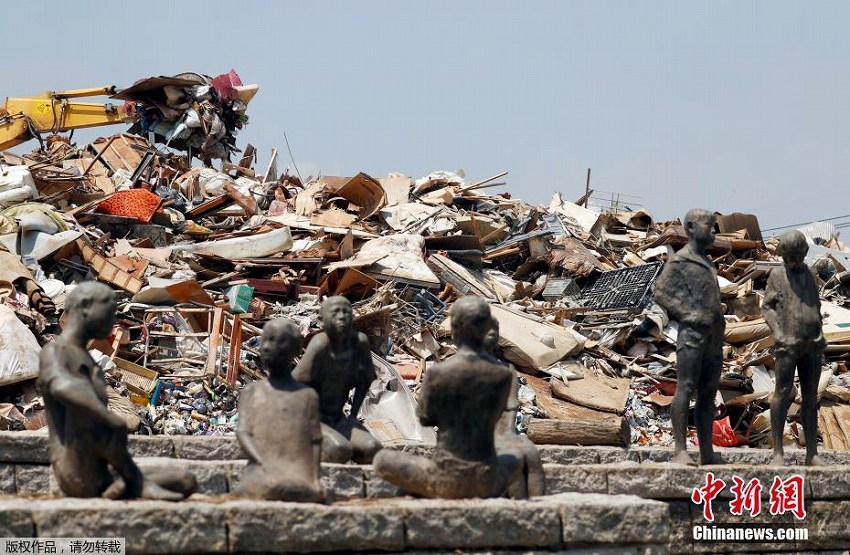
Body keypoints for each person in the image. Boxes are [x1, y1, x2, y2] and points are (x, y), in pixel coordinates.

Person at [38, 281, 196, 500]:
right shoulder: (55, 351)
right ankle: (133, 482)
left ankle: (127, 483)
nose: (114, 321)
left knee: (185, 480)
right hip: (75, 469)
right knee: (102, 423)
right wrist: (107, 416)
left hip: (101, 468)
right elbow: (62, 385)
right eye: (109, 312)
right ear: (86, 306)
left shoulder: (88, 360)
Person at [373, 296, 519, 498]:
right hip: (487, 479)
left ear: (455, 329)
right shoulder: (504, 375)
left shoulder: (439, 373)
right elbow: (495, 417)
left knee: (383, 460)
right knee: (514, 460)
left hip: (447, 477)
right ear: (487, 329)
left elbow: (425, 418)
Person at [654, 209, 726, 466]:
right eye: (711, 226)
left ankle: (706, 450)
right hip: (693, 334)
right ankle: (681, 450)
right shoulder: (680, 261)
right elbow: (661, 292)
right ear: (692, 228)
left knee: (708, 392)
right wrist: (689, 313)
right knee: (685, 387)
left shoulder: (708, 263)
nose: (716, 232)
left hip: (714, 337)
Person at [237, 319, 323, 501]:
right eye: (266, 339)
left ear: (295, 350)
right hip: (261, 469)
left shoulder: (307, 395)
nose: (268, 347)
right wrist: (261, 461)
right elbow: (243, 433)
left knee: (298, 488)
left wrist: (315, 478)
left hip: (296, 469)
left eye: (277, 340)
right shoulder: (251, 391)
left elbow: (315, 440)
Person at [761, 230, 825, 466]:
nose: (794, 261)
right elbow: (766, 307)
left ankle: (812, 453)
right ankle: (778, 451)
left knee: (810, 397)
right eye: (790, 256)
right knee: (782, 392)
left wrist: (820, 332)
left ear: (805, 253)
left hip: (812, 344)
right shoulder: (777, 275)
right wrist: (777, 332)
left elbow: (815, 305)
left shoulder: (809, 273)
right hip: (787, 344)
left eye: (799, 256)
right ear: (783, 254)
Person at [294, 296, 381, 463]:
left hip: (338, 418)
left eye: (347, 312)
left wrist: (353, 416)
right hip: (313, 419)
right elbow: (295, 383)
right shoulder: (320, 344)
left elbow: (365, 380)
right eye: (335, 312)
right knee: (340, 450)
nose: (342, 316)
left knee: (372, 448)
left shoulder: (359, 342)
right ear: (321, 320)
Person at [486, 318, 545, 498]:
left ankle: (538, 510)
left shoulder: (507, 370)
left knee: (530, 454)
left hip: (501, 431)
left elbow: (510, 408)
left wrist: (507, 435)